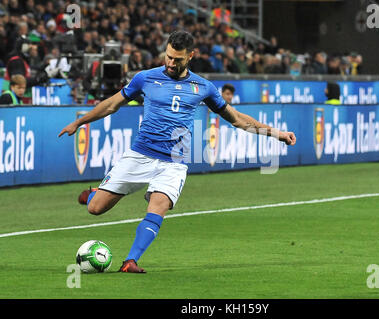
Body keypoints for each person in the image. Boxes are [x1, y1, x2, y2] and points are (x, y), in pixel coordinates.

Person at [59, 31, 296, 274]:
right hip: (140, 155)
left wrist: (276, 133)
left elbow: (235, 119)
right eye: (169, 57)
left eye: (178, 59)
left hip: (174, 162)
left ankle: (130, 261)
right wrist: (80, 122)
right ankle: (91, 195)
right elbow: (111, 104)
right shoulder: (145, 78)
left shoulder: (203, 87)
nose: (171, 63)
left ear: (191, 56)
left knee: (158, 205)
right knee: (96, 209)